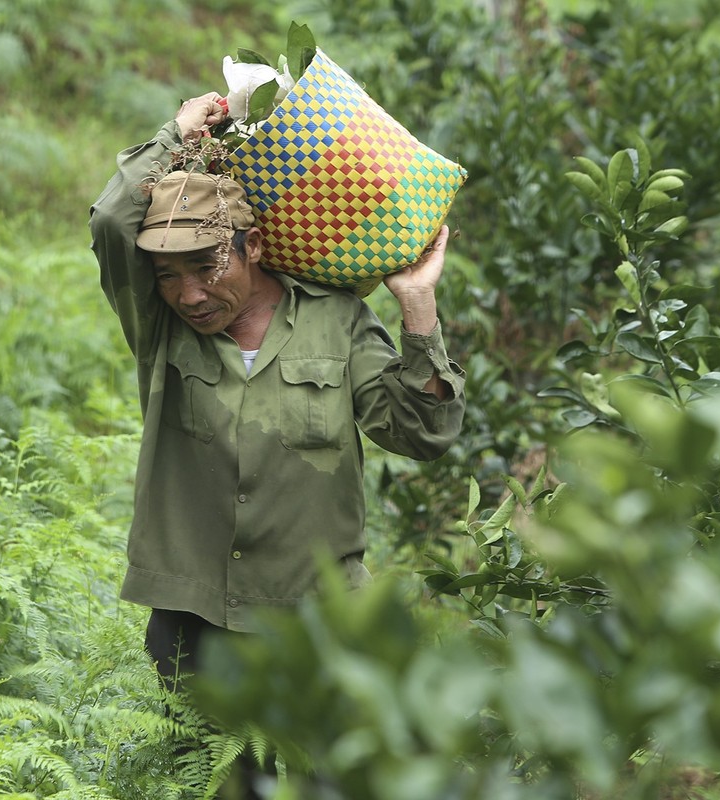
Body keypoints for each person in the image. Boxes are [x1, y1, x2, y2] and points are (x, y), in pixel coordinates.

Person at [88, 91, 466, 792]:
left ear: (252, 246)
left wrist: (418, 307)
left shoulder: (337, 320)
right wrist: (175, 135)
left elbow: (422, 433)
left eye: (208, 267)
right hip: (193, 613)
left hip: (315, 621)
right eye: (168, 275)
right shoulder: (159, 327)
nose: (189, 294)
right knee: (216, 785)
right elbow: (113, 219)